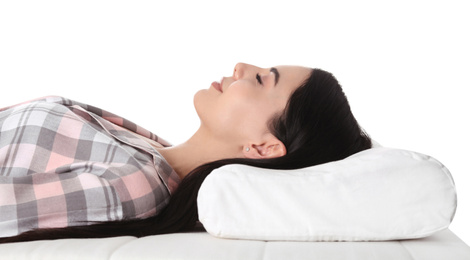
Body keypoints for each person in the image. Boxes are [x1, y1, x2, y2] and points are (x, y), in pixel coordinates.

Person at [0, 63, 371, 243]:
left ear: (263, 147)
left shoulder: (136, 185)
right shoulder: (148, 146)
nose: (241, 66)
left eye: (261, 79)